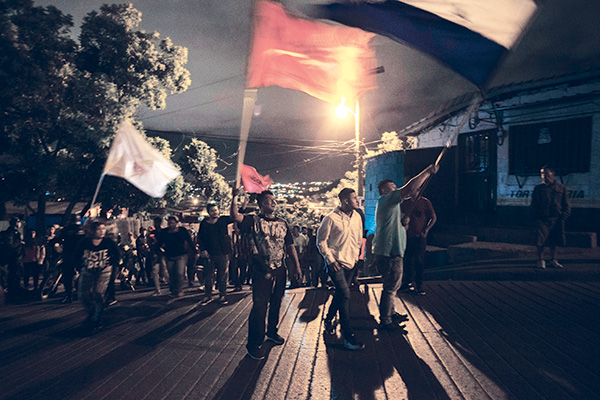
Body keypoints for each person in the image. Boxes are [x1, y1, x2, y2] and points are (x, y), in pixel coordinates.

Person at [231, 188, 301, 360]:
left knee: (276, 302)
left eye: (274, 200)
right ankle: (254, 344)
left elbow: (290, 246)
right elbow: (235, 217)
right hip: (261, 269)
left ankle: (272, 332)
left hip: (280, 268)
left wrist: (296, 267)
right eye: (269, 200)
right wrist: (234, 197)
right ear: (261, 203)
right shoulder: (253, 221)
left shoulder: (283, 223)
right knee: (260, 307)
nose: (273, 202)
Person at [373, 164, 438, 330]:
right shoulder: (386, 200)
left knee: (393, 285)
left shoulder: (392, 207)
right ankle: (386, 320)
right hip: (389, 252)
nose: (396, 189)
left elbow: (399, 227)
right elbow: (409, 188)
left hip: (393, 250)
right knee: (390, 287)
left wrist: (405, 224)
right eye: (392, 188)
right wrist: (427, 171)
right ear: (384, 192)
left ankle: (391, 313)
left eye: (395, 187)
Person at [317, 188, 365, 350]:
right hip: (336, 264)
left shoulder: (357, 216)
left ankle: (329, 318)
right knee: (345, 295)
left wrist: (359, 258)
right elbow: (321, 242)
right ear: (345, 201)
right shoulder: (330, 219)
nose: (357, 200)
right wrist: (330, 260)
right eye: (354, 198)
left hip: (352, 263)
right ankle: (348, 336)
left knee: (340, 294)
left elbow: (359, 238)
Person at [74, 219, 120, 331]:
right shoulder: (85, 242)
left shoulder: (108, 242)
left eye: (103, 229)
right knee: (82, 294)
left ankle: (97, 318)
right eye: (99, 229)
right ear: (92, 230)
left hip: (104, 270)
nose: (102, 231)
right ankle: (91, 311)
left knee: (98, 293)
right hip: (87, 270)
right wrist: (78, 267)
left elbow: (117, 255)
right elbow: (76, 254)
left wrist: (116, 268)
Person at [530, 166, 571, 269]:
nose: (544, 177)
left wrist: (564, 215)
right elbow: (534, 204)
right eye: (542, 175)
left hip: (556, 218)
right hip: (542, 218)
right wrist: (536, 216)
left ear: (553, 175)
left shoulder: (561, 188)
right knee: (540, 240)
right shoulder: (538, 189)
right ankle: (540, 260)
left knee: (555, 239)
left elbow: (566, 203)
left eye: (546, 174)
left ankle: (553, 259)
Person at [399, 195, 437, 295]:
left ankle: (419, 284)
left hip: (420, 236)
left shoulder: (425, 202)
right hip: (408, 236)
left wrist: (426, 230)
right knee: (408, 259)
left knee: (419, 260)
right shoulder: (405, 203)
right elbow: (401, 217)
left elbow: (433, 217)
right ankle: (407, 282)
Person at [197, 203, 233, 305]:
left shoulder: (223, 220)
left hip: (223, 252)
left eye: (216, 210)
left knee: (223, 276)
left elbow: (235, 216)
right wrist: (203, 250)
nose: (215, 212)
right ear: (208, 212)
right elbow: (200, 237)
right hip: (210, 253)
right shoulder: (204, 223)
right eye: (212, 210)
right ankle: (208, 295)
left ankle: (222, 295)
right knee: (208, 276)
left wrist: (243, 204)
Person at [156, 216, 194, 298]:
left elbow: (189, 241)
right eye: (169, 223)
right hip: (169, 255)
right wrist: (158, 251)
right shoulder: (165, 232)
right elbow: (159, 243)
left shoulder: (182, 231)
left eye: (173, 223)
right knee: (171, 274)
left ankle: (179, 290)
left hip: (181, 254)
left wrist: (194, 250)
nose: (171, 225)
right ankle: (173, 290)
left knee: (180, 273)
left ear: (177, 223)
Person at [58, 215, 85, 303]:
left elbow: (58, 238)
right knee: (81, 274)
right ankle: (75, 294)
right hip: (77, 254)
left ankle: (69, 295)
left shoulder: (67, 229)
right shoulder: (82, 229)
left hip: (70, 254)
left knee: (68, 276)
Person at [0, 217, 24, 301]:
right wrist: (19, 243)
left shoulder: (15, 233)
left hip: (17, 258)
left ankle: (15, 291)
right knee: (13, 275)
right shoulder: (10, 233)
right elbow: (10, 245)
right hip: (13, 258)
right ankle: (13, 293)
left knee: (16, 275)